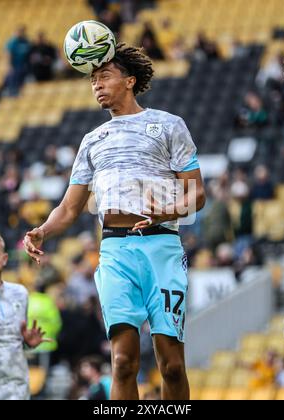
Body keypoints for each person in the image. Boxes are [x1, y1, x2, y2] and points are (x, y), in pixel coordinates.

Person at [23, 42, 206, 400]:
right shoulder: (92, 141)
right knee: (122, 362)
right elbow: (69, 208)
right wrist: (43, 230)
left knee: (171, 364)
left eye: (104, 76)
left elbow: (197, 194)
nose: (96, 85)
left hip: (163, 248)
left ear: (129, 80)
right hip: (116, 253)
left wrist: (168, 211)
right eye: (92, 80)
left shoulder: (168, 125)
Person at [0, 229, 51, 400]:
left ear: (4, 259)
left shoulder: (20, 294)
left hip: (17, 391)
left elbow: (10, 342)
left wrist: (27, 343)